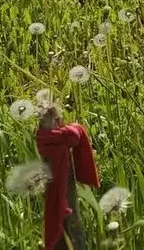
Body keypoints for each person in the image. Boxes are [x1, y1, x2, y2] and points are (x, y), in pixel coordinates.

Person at [35, 105, 100, 250]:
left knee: (71, 225)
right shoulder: (56, 139)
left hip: (66, 198)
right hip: (57, 189)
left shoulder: (63, 137)